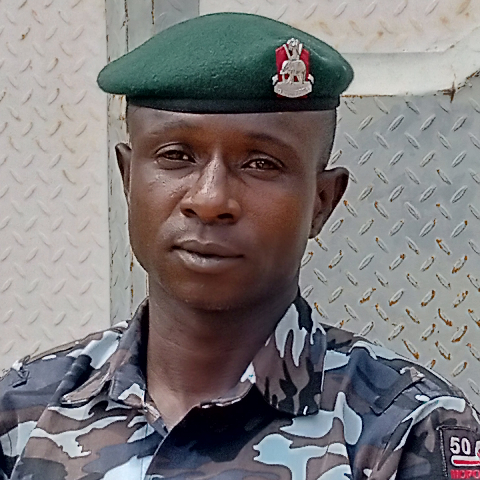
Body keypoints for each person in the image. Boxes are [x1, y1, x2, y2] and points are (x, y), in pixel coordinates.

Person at [0, 12, 479, 480]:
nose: (210, 200)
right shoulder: (22, 415)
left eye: (261, 164)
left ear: (321, 202)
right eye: (176, 156)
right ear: (128, 179)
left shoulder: (406, 430)